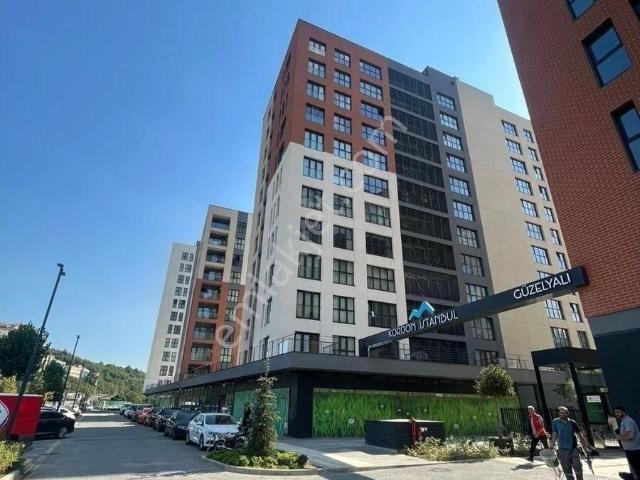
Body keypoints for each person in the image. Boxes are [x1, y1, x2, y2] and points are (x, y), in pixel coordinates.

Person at [550, 406, 592, 480]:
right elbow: (555, 433)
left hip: (573, 448)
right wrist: (552, 443)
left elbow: (580, 435)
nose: (564, 414)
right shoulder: (555, 422)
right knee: (567, 469)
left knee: (578, 467)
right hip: (562, 449)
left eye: (565, 413)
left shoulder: (572, 422)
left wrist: (585, 448)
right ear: (559, 413)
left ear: (568, 413)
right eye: (562, 413)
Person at [614, 406, 640, 480]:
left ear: (623, 413)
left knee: (637, 469)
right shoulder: (624, 421)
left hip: (634, 450)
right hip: (630, 449)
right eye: (615, 412)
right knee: (635, 469)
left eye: (618, 412)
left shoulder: (627, 421)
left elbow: (630, 435)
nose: (616, 414)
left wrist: (619, 437)